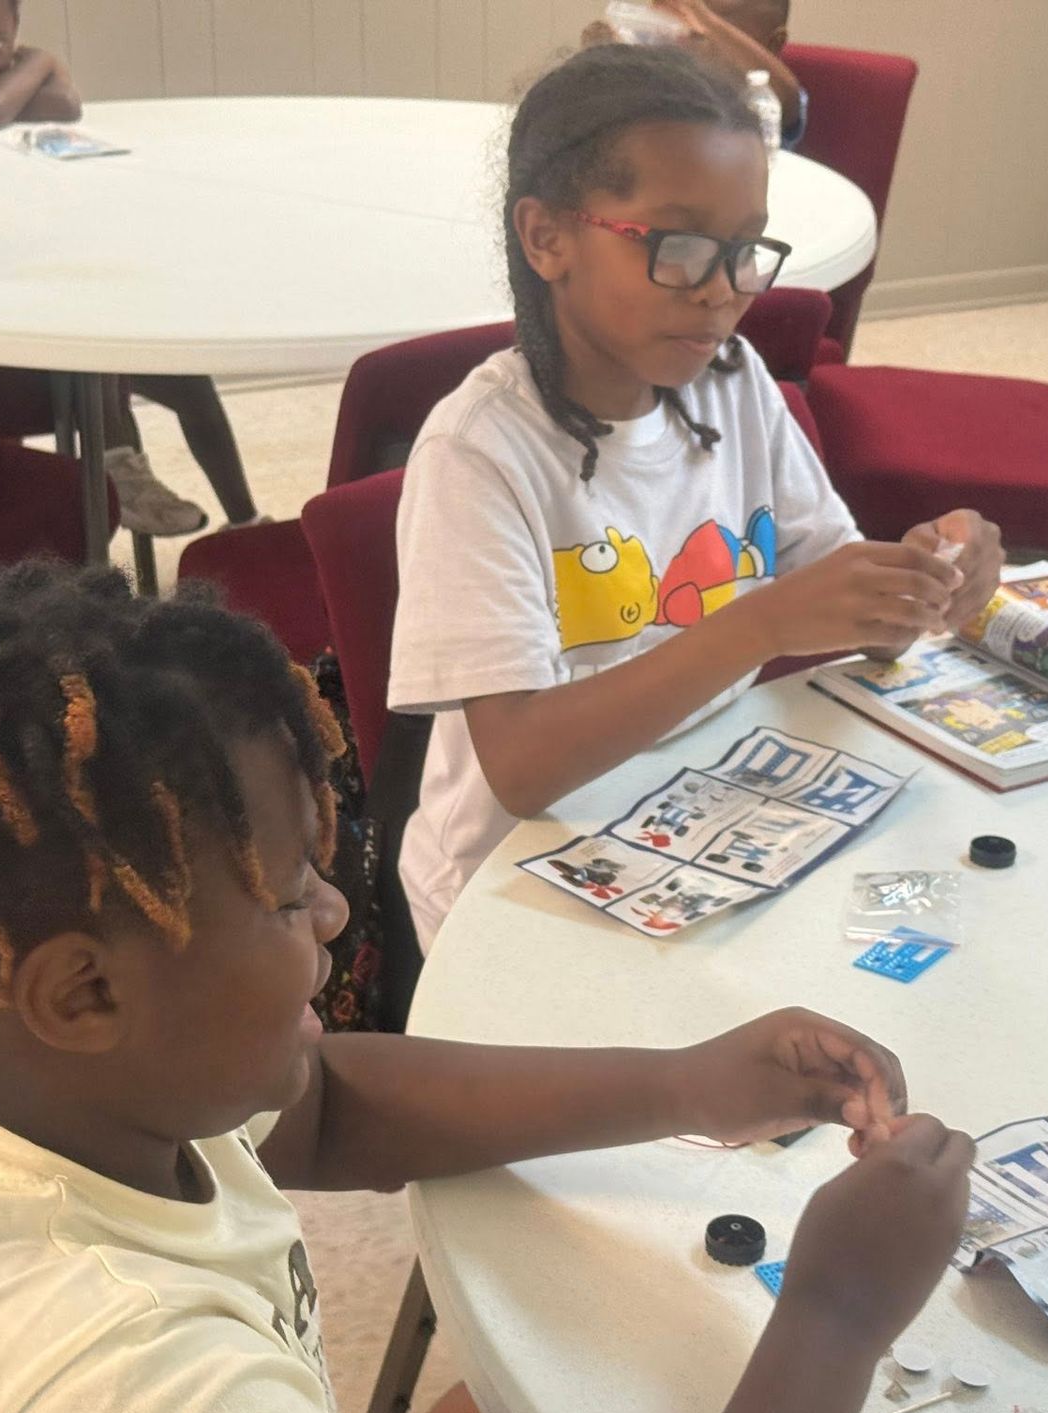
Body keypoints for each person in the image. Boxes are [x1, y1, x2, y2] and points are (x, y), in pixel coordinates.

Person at [0, 560, 975, 1413]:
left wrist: (688, 1082)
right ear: (80, 992)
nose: (337, 914)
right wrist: (837, 1313)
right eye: (289, 899)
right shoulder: (147, 1391)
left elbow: (326, 1110)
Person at [387, 44, 1003, 950]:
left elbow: (851, 615)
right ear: (547, 236)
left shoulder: (731, 382)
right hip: (514, 889)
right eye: (677, 248)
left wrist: (923, 577)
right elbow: (521, 769)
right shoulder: (480, 453)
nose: (722, 294)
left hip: (701, 823)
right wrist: (760, 627)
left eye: (746, 250)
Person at [0, 0, 260, 538]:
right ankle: (118, 467)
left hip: (35, 252)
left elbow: (64, 106)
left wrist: (28, 75)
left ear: (15, 30)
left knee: (186, 380)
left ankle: (245, 522)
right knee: (89, 340)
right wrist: (38, 62)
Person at [589, 0, 808, 147]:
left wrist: (703, 17)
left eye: (723, 29)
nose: (690, 36)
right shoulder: (664, 75)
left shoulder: (764, 98)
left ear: (773, 43)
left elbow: (788, 101)